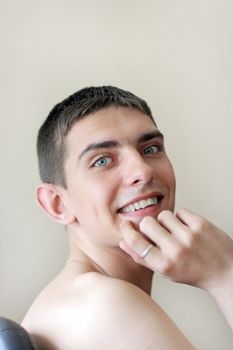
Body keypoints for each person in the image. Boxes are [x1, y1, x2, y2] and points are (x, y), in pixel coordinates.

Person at [21, 86, 233, 350]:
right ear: (57, 204)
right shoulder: (101, 303)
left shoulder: (75, 297)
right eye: (102, 160)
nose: (142, 170)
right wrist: (224, 274)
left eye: (150, 148)